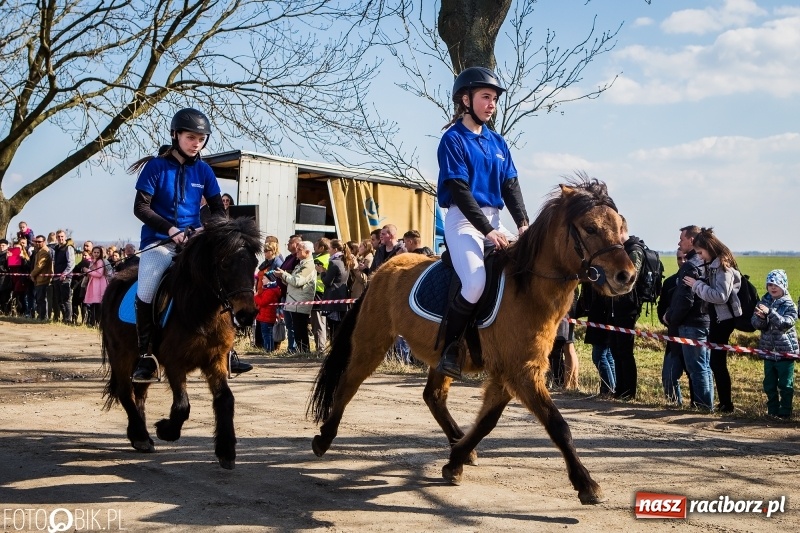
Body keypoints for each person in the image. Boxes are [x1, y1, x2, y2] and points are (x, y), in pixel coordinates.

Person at [128, 107, 249, 382]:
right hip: (159, 241)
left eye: (201, 139)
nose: (197, 143)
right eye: (191, 137)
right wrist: (170, 229)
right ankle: (146, 355)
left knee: (222, 281)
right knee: (147, 288)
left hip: (193, 242)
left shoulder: (204, 171)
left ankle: (228, 350)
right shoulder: (156, 167)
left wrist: (205, 228)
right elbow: (140, 207)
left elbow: (218, 210)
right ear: (176, 135)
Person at [435, 66, 530, 379]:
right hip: (463, 222)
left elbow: (511, 186)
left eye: (495, 99)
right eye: (486, 97)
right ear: (466, 99)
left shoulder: (498, 143)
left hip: (495, 221)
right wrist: (486, 230)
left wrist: (523, 224)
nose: (492, 104)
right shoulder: (452, 139)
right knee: (474, 283)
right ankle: (450, 349)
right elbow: (460, 191)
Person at [683, 228, 742, 413]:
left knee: (718, 363)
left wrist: (697, 285)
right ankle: (724, 403)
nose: (699, 257)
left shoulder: (723, 267)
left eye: (701, 253)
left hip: (723, 319)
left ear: (709, 248)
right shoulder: (713, 266)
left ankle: (726, 405)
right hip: (717, 318)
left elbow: (720, 296)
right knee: (716, 363)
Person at [665, 225, 713, 411]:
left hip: (691, 324)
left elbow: (685, 299)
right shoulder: (705, 262)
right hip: (703, 320)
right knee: (704, 367)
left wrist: (672, 318)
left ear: (691, 240)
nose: (679, 243)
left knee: (697, 368)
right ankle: (706, 406)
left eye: (681, 239)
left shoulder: (691, 265)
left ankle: (703, 407)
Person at [752, 270, 798, 419]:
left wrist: (770, 313)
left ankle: (785, 412)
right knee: (769, 384)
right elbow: (756, 324)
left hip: (785, 352)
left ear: (783, 286)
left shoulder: (790, 305)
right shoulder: (763, 302)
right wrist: (761, 318)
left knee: (785, 385)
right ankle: (772, 411)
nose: (772, 287)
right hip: (768, 352)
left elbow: (785, 324)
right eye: (770, 284)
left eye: (776, 284)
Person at [659, 249, 693, 406]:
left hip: (693, 336)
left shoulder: (698, 280)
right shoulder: (669, 283)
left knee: (695, 376)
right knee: (668, 376)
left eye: (685, 258)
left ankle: (698, 406)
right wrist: (667, 318)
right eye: (679, 258)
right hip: (673, 337)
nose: (682, 261)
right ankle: (674, 406)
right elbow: (661, 310)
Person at [275, 240, 316, 353]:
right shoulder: (301, 264)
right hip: (295, 301)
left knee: (300, 328)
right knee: (297, 328)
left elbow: (297, 281)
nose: (296, 251)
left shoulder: (308, 265)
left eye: (299, 250)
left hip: (300, 302)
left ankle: (304, 351)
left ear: (307, 252)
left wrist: (283, 274)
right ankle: (300, 351)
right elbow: (292, 281)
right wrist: (282, 276)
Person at [317, 239, 353, 341]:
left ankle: (335, 347)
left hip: (333, 298)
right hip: (342, 298)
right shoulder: (345, 260)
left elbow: (327, 282)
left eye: (329, 248)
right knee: (339, 327)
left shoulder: (334, 262)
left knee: (333, 327)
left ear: (335, 249)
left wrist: (322, 272)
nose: (328, 251)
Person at [311, 238, 331, 354]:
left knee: (318, 322)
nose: (314, 247)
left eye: (316, 245)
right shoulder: (330, 258)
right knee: (324, 322)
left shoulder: (318, 260)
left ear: (322, 247)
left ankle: (320, 349)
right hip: (326, 292)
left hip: (318, 292)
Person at [50, 230, 75, 323]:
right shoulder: (56, 248)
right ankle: (64, 317)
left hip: (65, 278)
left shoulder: (68, 248)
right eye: (58, 236)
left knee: (66, 299)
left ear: (65, 237)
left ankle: (68, 319)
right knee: (59, 300)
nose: (60, 238)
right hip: (56, 277)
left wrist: (65, 273)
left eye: (62, 236)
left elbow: (71, 263)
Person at [83, 246, 109, 327]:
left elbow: (99, 274)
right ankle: (93, 322)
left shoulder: (100, 261)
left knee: (98, 304)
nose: (96, 254)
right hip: (94, 282)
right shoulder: (93, 261)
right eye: (95, 252)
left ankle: (98, 322)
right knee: (94, 304)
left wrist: (88, 271)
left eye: (98, 252)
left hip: (99, 284)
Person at [29, 235, 53, 320]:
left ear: (44, 242)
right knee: (39, 299)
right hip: (39, 279)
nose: (37, 243)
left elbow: (40, 265)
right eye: (36, 242)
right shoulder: (39, 251)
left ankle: (43, 317)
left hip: (43, 279)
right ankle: (41, 316)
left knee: (41, 299)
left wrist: (32, 274)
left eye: (39, 242)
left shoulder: (44, 251)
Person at [254, 279, 282, 352]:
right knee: (268, 334)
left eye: (264, 278)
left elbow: (262, 302)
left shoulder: (270, 291)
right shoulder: (268, 290)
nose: (262, 280)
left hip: (266, 317)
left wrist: (255, 296)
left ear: (269, 280)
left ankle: (268, 350)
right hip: (266, 316)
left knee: (266, 334)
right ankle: (269, 349)